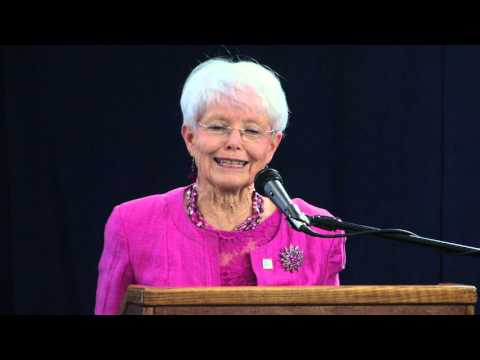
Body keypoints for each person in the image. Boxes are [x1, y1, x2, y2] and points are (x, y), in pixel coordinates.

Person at [95, 57, 346, 315]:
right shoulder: (133, 225)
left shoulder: (315, 232)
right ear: (190, 137)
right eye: (217, 127)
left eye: (252, 130)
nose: (234, 142)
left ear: (272, 145)